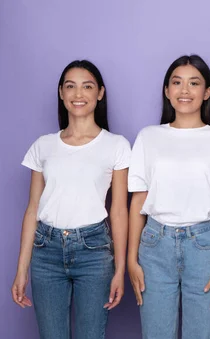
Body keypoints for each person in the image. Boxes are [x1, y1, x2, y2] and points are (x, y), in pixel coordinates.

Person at [127, 55, 210, 339]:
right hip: (155, 245)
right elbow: (137, 204)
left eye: (194, 83)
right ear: (167, 91)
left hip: (205, 247)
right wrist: (132, 260)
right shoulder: (148, 137)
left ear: (206, 93)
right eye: (177, 83)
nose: (185, 90)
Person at [12, 60, 130, 339]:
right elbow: (32, 210)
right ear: (61, 94)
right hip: (46, 251)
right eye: (71, 87)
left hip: (94, 250)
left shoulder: (116, 145)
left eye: (87, 86)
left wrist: (120, 269)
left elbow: (119, 212)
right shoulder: (44, 146)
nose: (79, 94)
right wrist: (21, 270)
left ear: (99, 93)